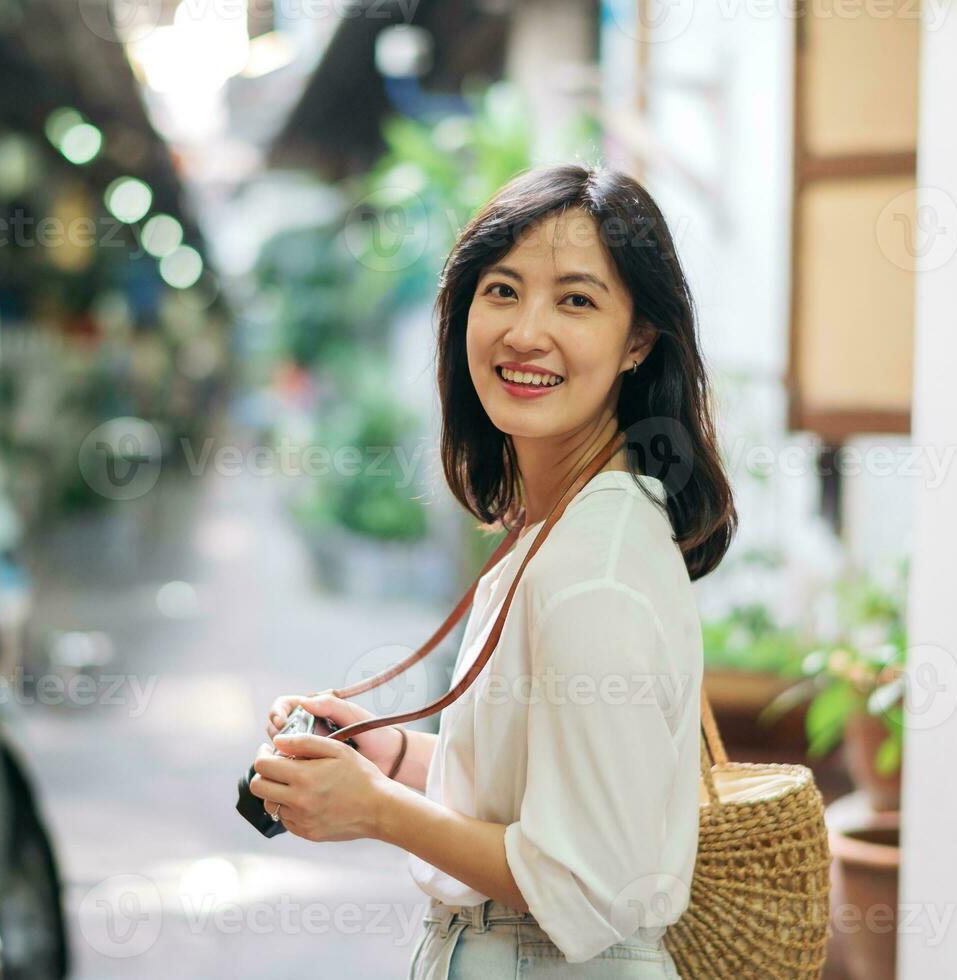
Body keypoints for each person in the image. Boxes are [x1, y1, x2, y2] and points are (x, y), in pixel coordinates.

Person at [248, 163, 736, 978]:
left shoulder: (594, 574)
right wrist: (388, 757)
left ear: (638, 341)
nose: (525, 331)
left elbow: (587, 883)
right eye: (502, 290)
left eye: (576, 300)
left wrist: (378, 813)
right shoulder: (564, 528)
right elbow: (538, 800)